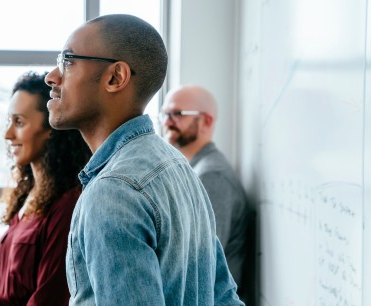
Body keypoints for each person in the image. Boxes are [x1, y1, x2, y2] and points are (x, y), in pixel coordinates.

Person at [45, 14, 243, 305]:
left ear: (115, 78)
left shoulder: (114, 190)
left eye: (68, 61)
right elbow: (225, 298)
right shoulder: (177, 166)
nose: (52, 76)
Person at [0, 71, 91, 305]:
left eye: (19, 122)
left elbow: (51, 295)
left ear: (50, 128)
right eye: (9, 121)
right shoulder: (26, 195)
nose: (8, 134)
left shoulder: (68, 204)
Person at [162, 85, 249, 286]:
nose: (167, 122)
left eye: (177, 114)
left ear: (206, 121)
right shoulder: (196, 171)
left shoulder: (212, 177)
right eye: (165, 114)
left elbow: (198, 263)